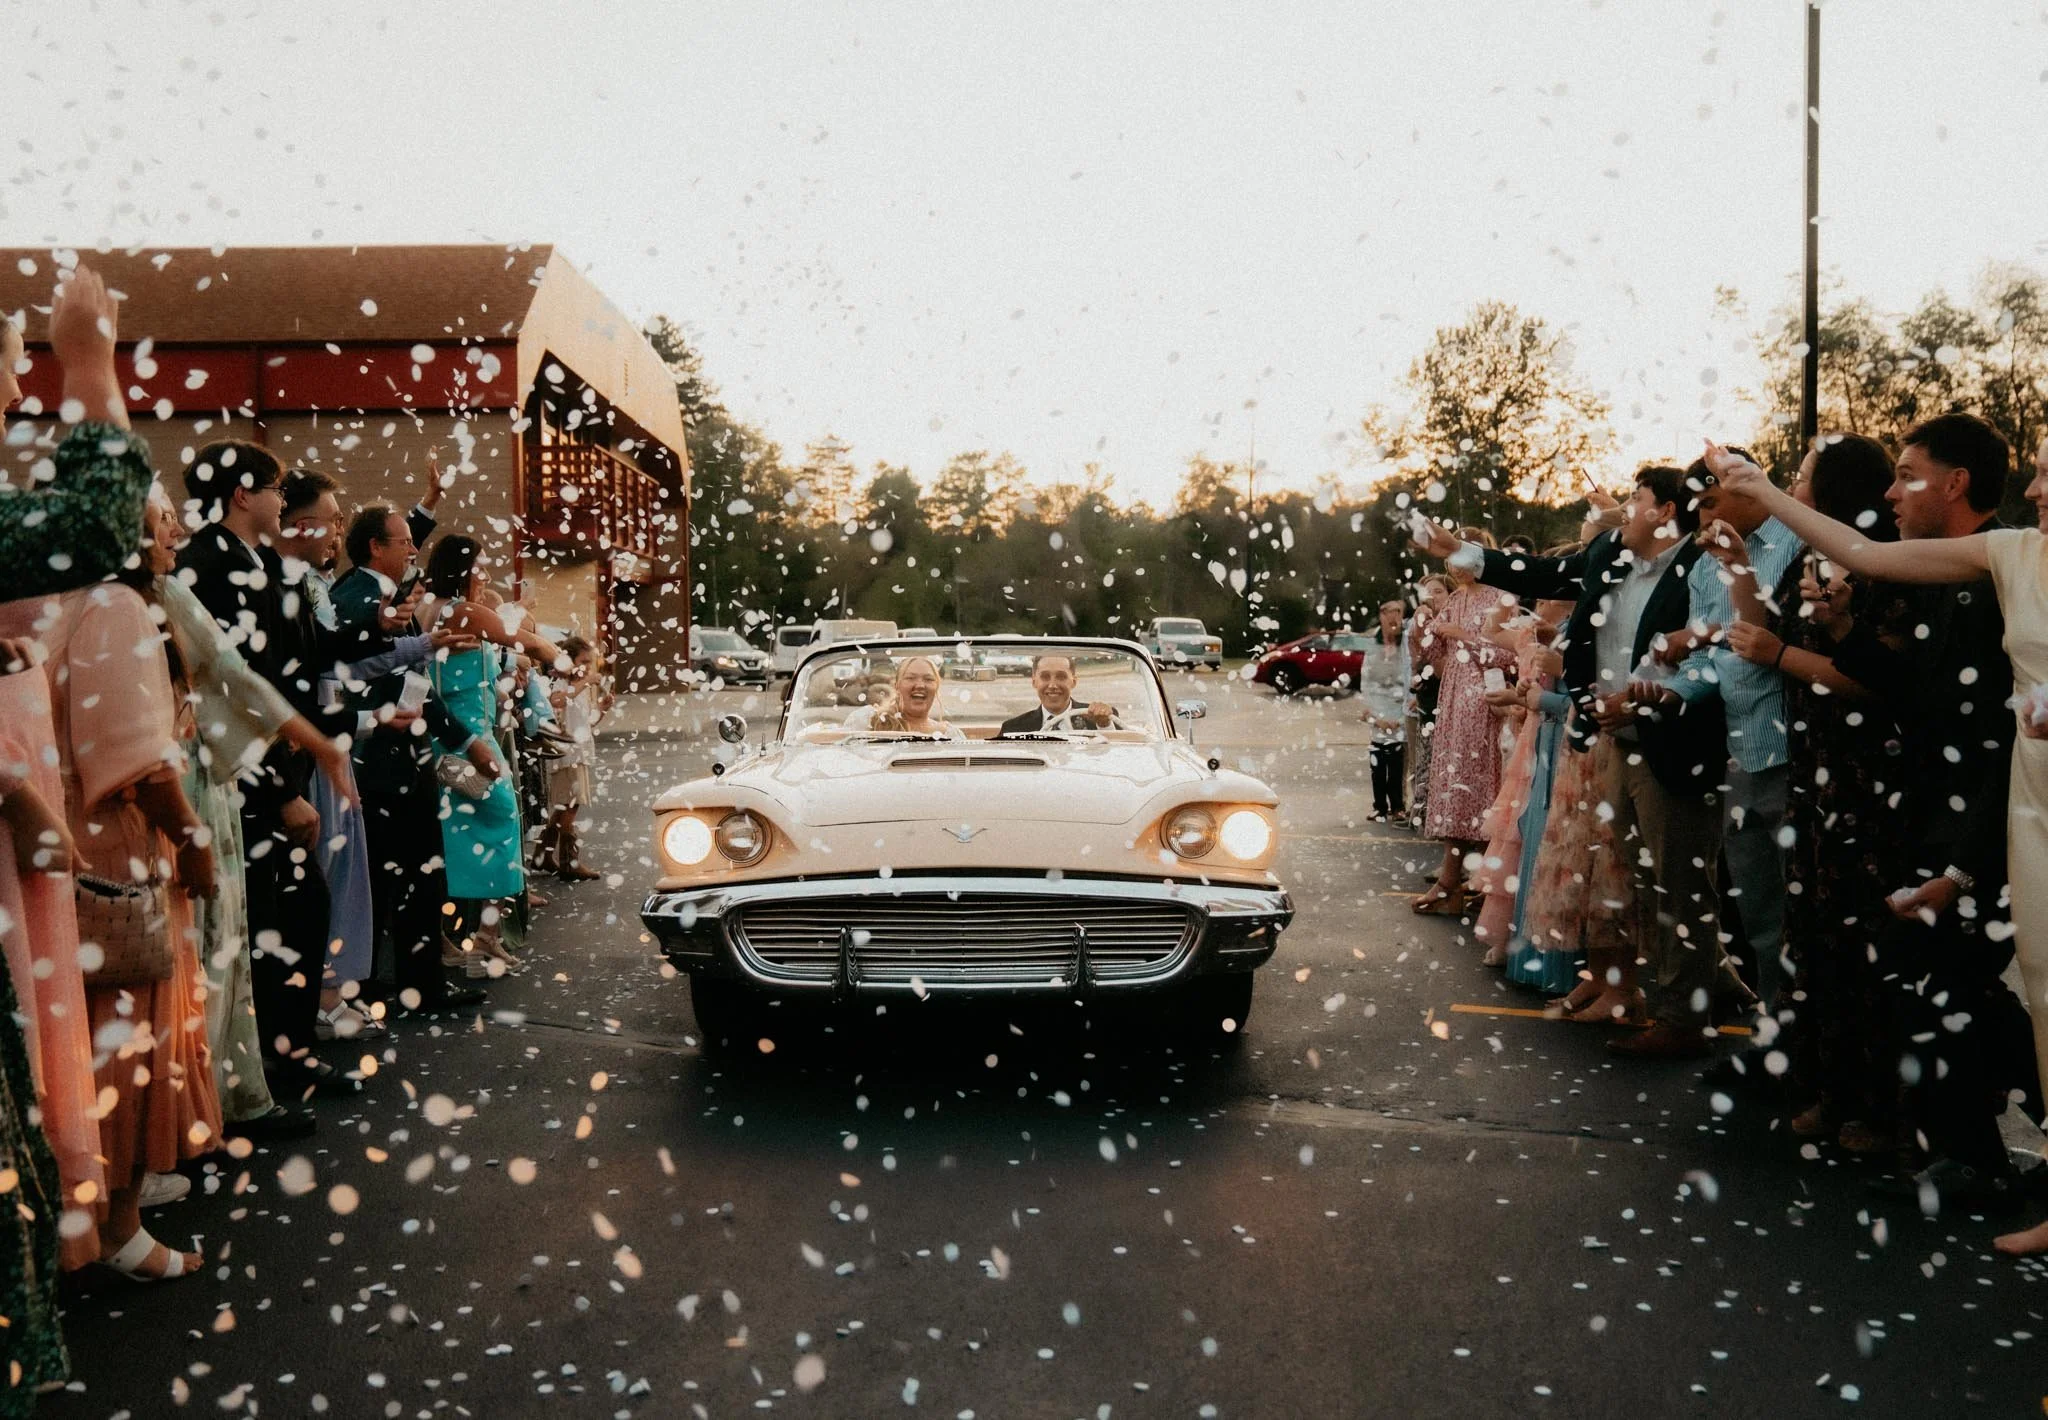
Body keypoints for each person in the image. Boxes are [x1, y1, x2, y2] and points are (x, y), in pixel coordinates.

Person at [1708, 418, 2048, 1251]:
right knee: (1990, 981)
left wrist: (1964, 869)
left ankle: (1992, 1142)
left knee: (1966, 984)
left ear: (1956, 480)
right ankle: (1985, 1148)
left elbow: (1977, 731)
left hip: (1985, 814)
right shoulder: (2007, 557)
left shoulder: (1995, 565)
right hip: (2003, 811)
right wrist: (1767, 499)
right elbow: (1874, 582)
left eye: (1908, 477)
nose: (2038, 490)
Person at [1419, 467, 1745, 1052]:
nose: (1625, 508)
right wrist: (1463, 551)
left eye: (1636, 498)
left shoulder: (1699, 569)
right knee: (1635, 880)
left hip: (1673, 739)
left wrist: (1653, 696)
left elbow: (1715, 651)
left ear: (1665, 511)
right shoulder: (1609, 555)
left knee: (1680, 882)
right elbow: (1546, 573)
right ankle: (1648, 996)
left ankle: (1688, 1018)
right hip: (1609, 737)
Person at [1710, 434, 1905, 1155]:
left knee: (1864, 945)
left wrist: (1787, 657)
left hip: (1868, 777)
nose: (1793, 484)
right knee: (1814, 938)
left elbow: (1881, 680)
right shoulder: (1802, 562)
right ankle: (1825, 1088)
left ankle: (1879, 1110)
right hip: (1812, 770)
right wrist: (1736, 572)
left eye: (1803, 477)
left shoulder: (1883, 563)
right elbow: (1759, 633)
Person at [176, 441, 354, 1101]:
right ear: (243, 495)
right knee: (269, 929)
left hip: (286, 768)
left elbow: (298, 662)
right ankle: (267, 1075)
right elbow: (229, 697)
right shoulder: (206, 568)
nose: (285, 500)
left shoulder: (261, 565)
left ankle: (292, 1059)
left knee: (298, 917)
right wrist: (278, 794)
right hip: (248, 785)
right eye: (277, 489)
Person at [1639, 451, 1805, 1025]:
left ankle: (1812, 1054)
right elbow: (1715, 657)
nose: (1703, 516)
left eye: (1711, 501)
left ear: (1746, 486)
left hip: (1794, 749)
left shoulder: (1795, 541)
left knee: (1805, 915)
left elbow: (1770, 640)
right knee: (1758, 911)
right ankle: (1774, 1038)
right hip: (1740, 747)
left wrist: (1730, 586)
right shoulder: (1709, 559)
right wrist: (1672, 692)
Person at [330, 504, 490, 1013]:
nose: (413, 551)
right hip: (377, 757)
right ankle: (386, 987)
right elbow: (357, 662)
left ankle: (401, 985)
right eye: (402, 542)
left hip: (402, 750)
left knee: (412, 877)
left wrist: (465, 741)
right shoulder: (357, 596)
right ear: (376, 548)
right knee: (402, 878)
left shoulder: (384, 593)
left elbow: (412, 682)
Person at [420, 534, 564, 967]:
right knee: (502, 824)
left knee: (451, 839)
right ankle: (483, 935)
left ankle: (460, 936)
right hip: (469, 744)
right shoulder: (464, 611)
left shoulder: (427, 607)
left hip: (437, 740)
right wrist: (558, 657)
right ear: (464, 571)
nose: (485, 575)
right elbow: (534, 645)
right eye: (480, 567)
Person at [1411, 529, 1514, 915]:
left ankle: (1480, 885)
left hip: (1484, 704)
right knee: (1454, 789)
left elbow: (1510, 655)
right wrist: (1427, 626)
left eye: (1461, 558)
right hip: (1453, 701)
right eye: (1450, 560)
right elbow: (1432, 654)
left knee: (1481, 789)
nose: (1455, 568)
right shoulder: (1454, 599)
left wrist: (1464, 635)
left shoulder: (1500, 598)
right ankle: (1451, 883)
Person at [538, 635, 609, 880]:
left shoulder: (580, 688)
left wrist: (601, 711)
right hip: (567, 755)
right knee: (569, 806)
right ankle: (569, 862)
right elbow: (555, 702)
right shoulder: (561, 683)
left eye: (591, 663)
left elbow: (585, 723)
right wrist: (587, 681)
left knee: (563, 807)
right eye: (584, 661)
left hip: (578, 752)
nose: (589, 667)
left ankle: (544, 855)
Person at [1358, 599, 1411, 822]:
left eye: (1397, 612)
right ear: (1380, 616)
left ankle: (1398, 806)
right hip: (1378, 715)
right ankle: (1379, 806)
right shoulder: (1373, 646)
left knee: (1397, 764)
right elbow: (1366, 683)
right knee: (1377, 762)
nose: (1392, 617)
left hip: (1399, 712)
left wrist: (1399, 718)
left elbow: (1409, 680)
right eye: (1387, 612)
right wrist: (1375, 716)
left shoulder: (1407, 644)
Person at [998, 653, 1117, 735]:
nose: (1052, 685)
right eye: (1045, 677)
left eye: (1061, 677)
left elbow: (1118, 760)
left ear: (1073, 682)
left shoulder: (1099, 718)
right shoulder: (1013, 728)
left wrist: (1104, 725)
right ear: (1034, 682)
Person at [848, 656, 964, 736]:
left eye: (928, 679)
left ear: (936, 687)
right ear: (896, 686)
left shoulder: (951, 735)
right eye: (910, 678)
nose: (920, 685)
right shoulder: (866, 719)